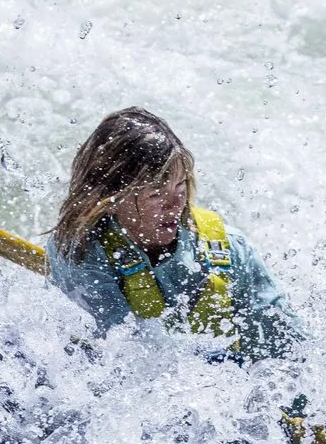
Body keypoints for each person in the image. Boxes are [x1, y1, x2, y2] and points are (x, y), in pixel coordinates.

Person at [44, 107, 303, 361]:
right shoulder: (80, 253)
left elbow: (294, 350)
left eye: (180, 185)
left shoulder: (228, 249)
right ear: (111, 198)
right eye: (156, 193)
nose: (175, 204)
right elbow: (124, 360)